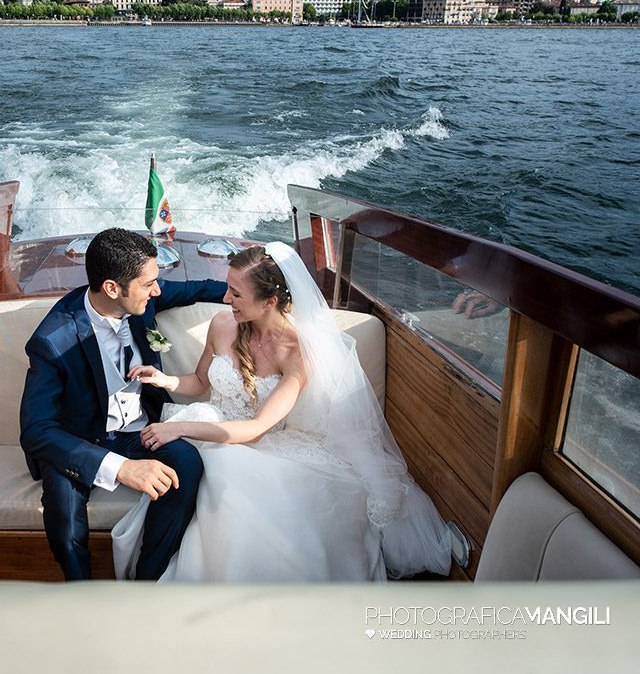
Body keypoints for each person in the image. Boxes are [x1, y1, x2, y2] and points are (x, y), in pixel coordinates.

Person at [112, 242, 452, 582]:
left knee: (242, 496)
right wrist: (166, 380)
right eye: (228, 289)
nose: (226, 299)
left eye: (236, 293)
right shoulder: (222, 323)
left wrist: (181, 427)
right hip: (211, 425)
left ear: (269, 302)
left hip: (258, 444)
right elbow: (201, 381)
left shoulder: (297, 352)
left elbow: (257, 428)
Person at [19, 228, 226, 580]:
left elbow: (201, 288)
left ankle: (145, 583)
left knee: (187, 464)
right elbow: (36, 431)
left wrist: (261, 292)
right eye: (149, 284)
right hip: (78, 439)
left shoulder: (143, 297)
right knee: (64, 514)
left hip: (138, 430)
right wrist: (122, 469)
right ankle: (81, 592)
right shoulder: (52, 341)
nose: (157, 291)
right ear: (112, 288)